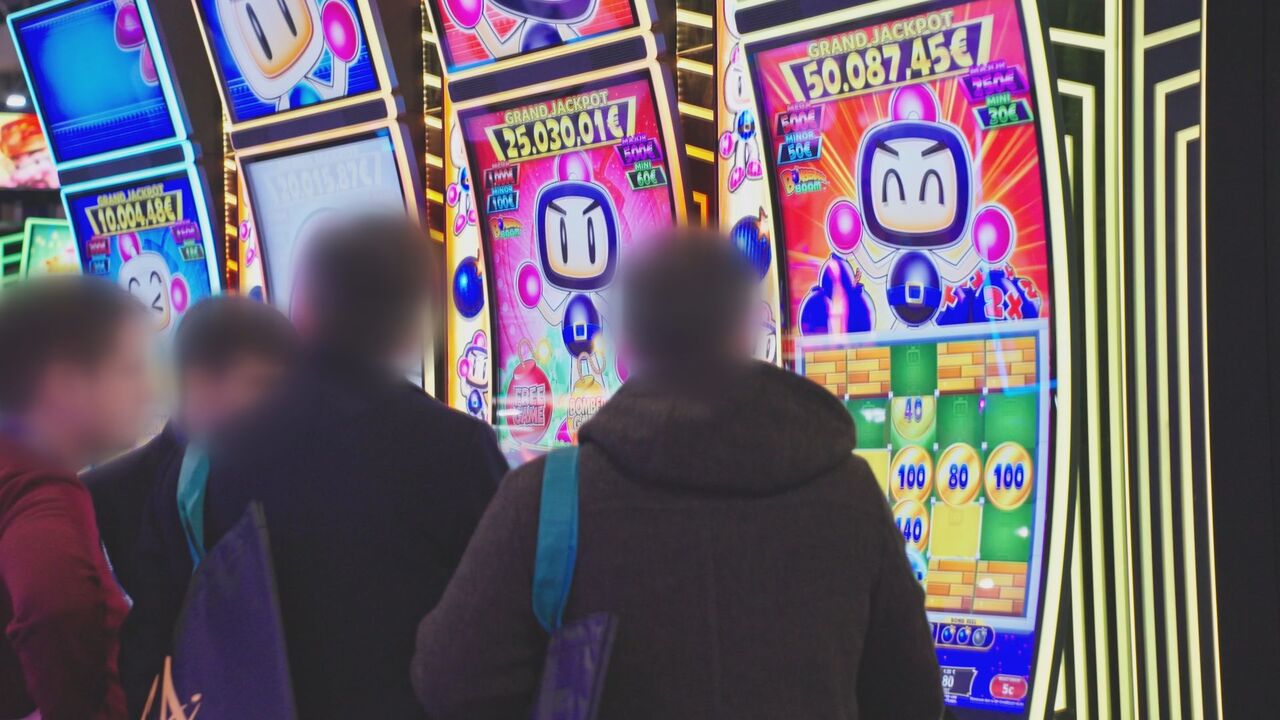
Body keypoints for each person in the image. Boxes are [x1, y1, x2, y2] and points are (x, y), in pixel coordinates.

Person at [411, 232, 944, 720]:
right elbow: (914, 701)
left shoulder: (549, 499)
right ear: (742, 329)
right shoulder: (850, 492)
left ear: (631, 338)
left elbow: (450, 684)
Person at [202, 213, 507, 719]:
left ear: (305, 308)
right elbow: (501, 615)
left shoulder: (230, 443)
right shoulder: (453, 445)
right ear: (412, 320)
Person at [98, 296, 299, 714]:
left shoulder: (281, 472)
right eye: (266, 385)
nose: (284, 404)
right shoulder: (107, 496)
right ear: (199, 382)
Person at [0, 277, 152, 720]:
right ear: (65, 384)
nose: (148, 392)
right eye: (130, 370)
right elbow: (57, 609)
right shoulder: (42, 491)